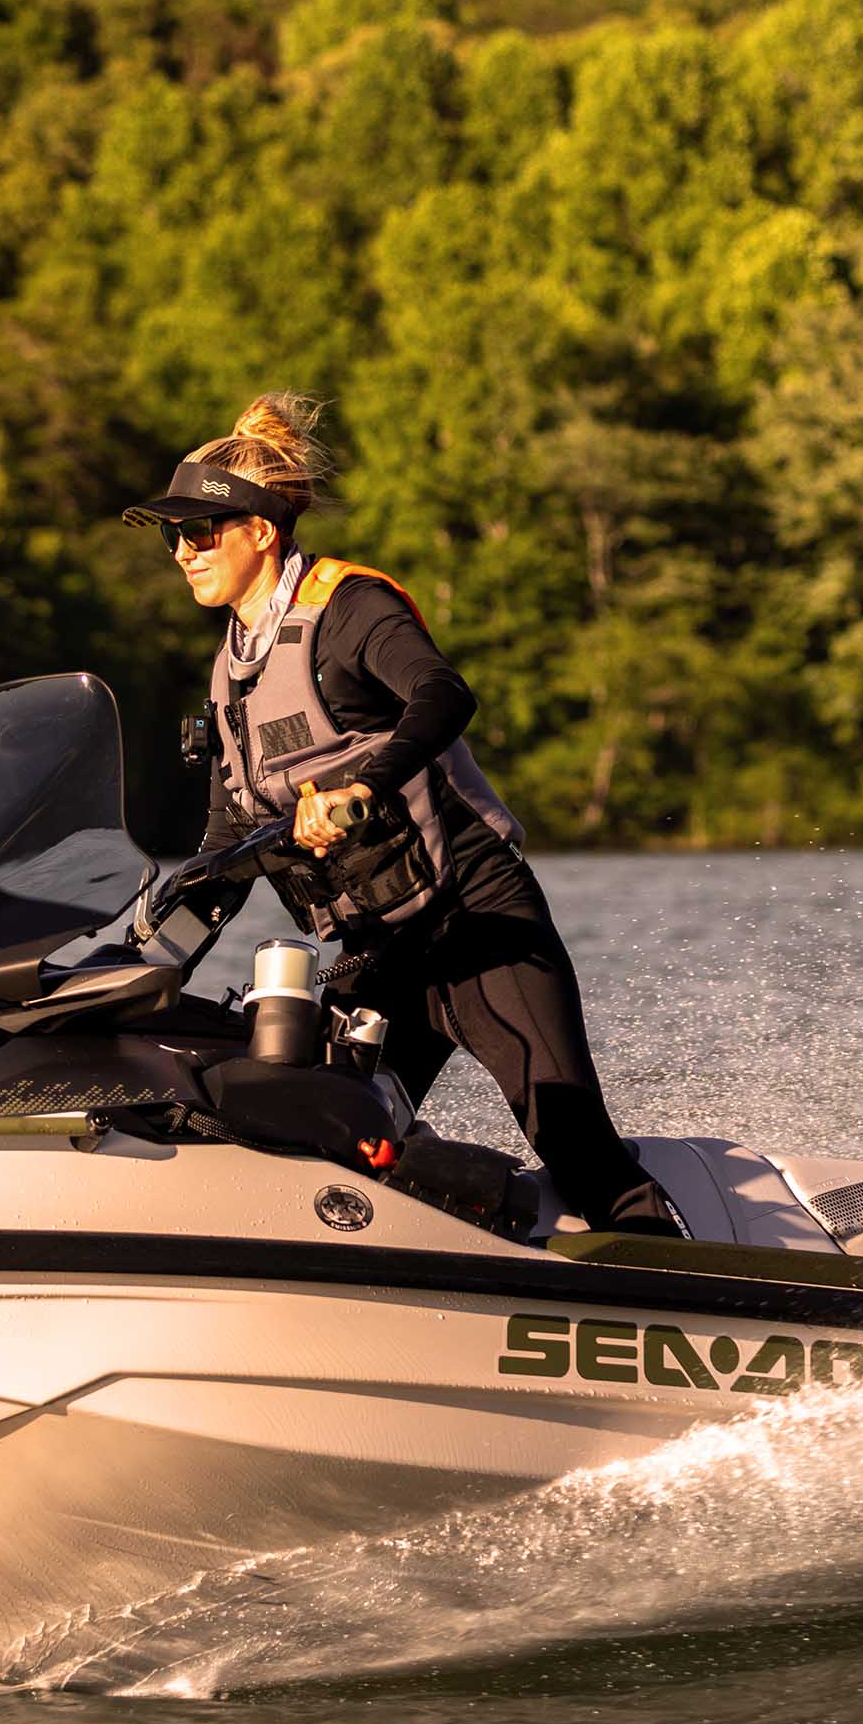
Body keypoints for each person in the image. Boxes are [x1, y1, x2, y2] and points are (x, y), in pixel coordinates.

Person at [123, 394, 684, 1238]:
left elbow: (444, 693)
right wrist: (131, 965)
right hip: (381, 954)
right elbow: (224, 850)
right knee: (311, 1135)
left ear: (261, 532)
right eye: (173, 535)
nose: (182, 551)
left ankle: (684, 1292)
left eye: (201, 531)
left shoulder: (348, 608)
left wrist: (366, 786)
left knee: (572, 1141)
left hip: (477, 925)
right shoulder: (228, 675)